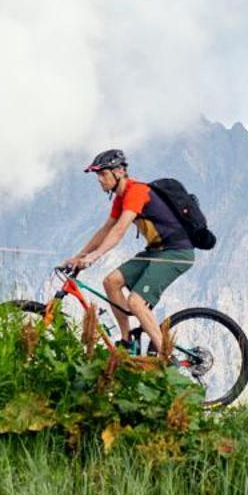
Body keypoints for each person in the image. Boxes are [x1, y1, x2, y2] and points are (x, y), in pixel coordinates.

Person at [61, 149, 195, 356]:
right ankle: (128, 340)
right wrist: (80, 256)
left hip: (176, 253)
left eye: (103, 174)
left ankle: (165, 357)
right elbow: (105, 229)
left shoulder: (136, 192)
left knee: (135, 301)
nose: (99, 180)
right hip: (156, 251)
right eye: (98, 175)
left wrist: (93, 257)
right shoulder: (120, 198)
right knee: (111, 282)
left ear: (119, 172)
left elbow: (119, 230)